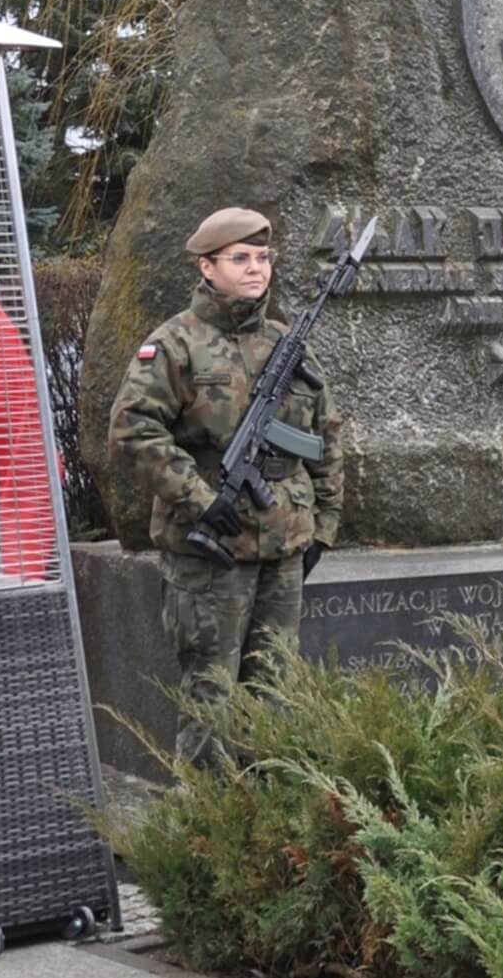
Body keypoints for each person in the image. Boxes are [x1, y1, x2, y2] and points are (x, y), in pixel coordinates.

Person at [108, 206, 344, 766]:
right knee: (210, 700)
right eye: (240, 259)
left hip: (284, 545)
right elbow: (133, 429)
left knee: (278, 694)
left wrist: (325, 526)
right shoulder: (175, 346)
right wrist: (199, 498)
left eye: (263, 258)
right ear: (207, 267)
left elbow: (325, 434)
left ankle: (271, 829)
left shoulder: (287, 343)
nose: (256, 269)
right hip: (209, 554)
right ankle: (208, 835)